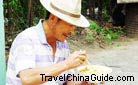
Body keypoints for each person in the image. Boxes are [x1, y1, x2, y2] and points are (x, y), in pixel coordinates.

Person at [6, 0, 104, 85]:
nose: (72, 31)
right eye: (69, 25)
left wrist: (86, 82)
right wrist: (66, 64)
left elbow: (66, 80)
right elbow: (27, 78)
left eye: (74, 26)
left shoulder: (62, 44)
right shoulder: (26, 39)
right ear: (53, 18)